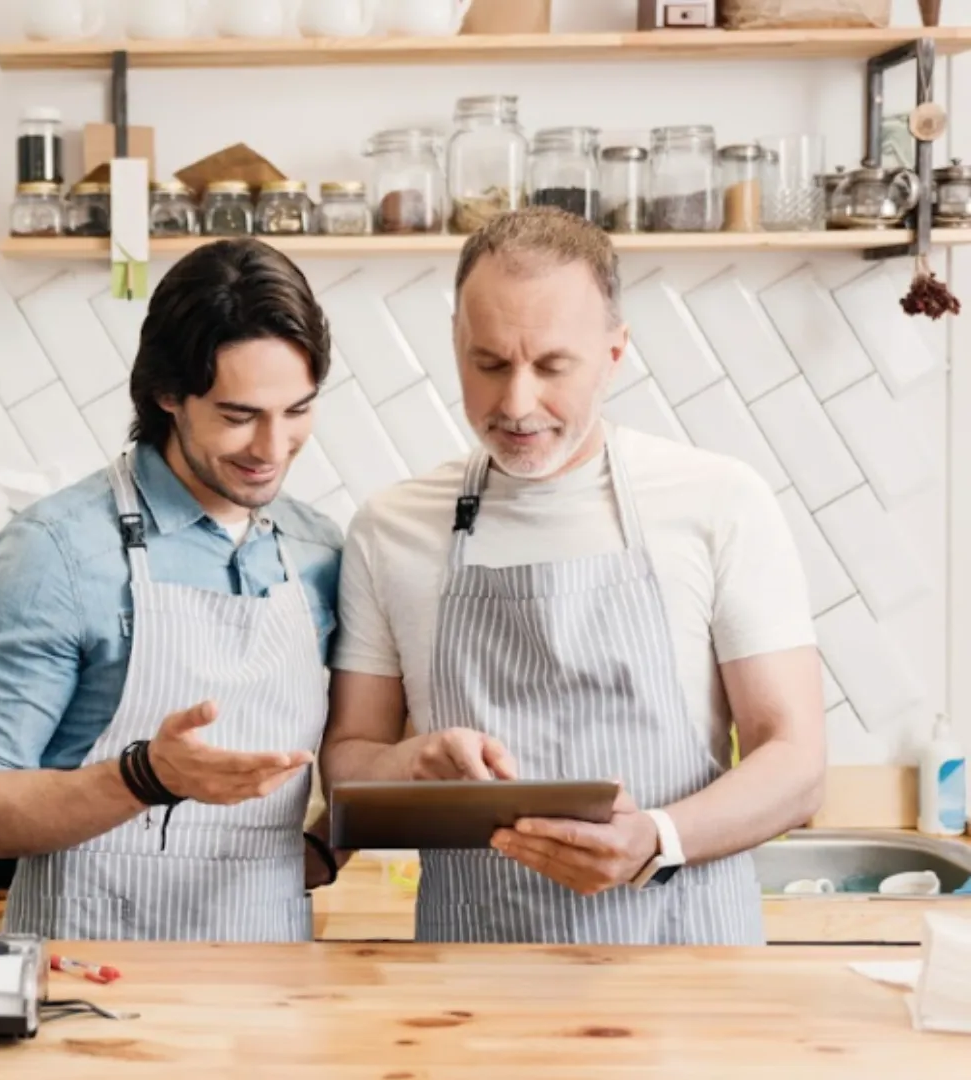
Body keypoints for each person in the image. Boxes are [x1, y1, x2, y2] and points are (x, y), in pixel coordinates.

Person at [321, 207, 825, 946]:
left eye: (553, 366)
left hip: (685, 972)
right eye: (489, 364)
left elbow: (798, 762)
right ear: (457, 345)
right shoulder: (390, 528)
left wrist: (655, 836)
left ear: (614, 354)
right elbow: (347, 765)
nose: (518, 404)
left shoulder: (718, 501)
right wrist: (410, 759)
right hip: (470, 978)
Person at [0, 238, 345, 942]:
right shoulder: (55, 551)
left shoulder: (321, 549)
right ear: (166, 395)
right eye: (239, 415)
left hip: (272, 992)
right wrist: (145, 778)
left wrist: (325, 851)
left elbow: (362, 746)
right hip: (88, 979)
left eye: (297, 411)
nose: (273, 449)